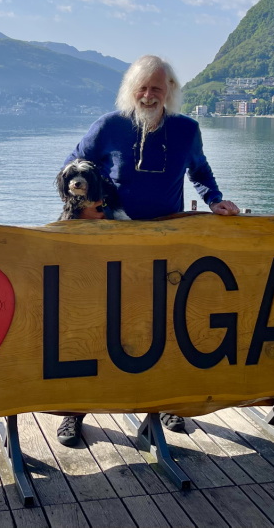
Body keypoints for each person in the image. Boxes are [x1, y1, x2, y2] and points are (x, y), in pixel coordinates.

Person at [55, 54, 239, 446]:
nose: (149, 95)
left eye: (157, 87)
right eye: (142, 88)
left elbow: (200, 171)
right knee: (94, 324)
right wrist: (89, 205)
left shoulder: (187, 129)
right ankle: (74, 409)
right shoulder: (110, 125)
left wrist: (215, 200)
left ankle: (166, 403)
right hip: (109, 242)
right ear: (131, 90)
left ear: (170, 90)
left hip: (164, 243)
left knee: (166, 326)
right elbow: (73, 165)